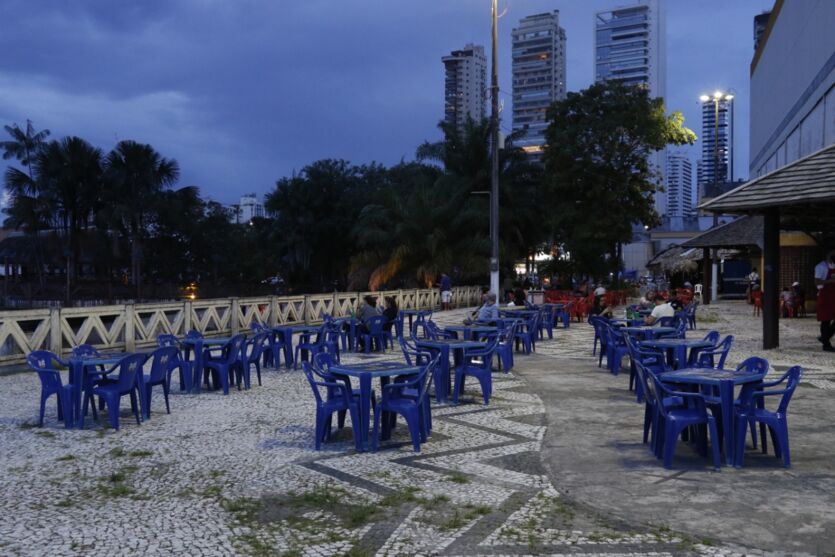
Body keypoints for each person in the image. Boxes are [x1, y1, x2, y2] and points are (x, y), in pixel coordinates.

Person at [814, 249, 835, 352]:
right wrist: (829, 281)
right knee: (825, 320)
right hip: (824, 295)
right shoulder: (821, 266)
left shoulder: (834, 265)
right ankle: (826, 345)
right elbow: (817, 282)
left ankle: (824, 337)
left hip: (833, 295)